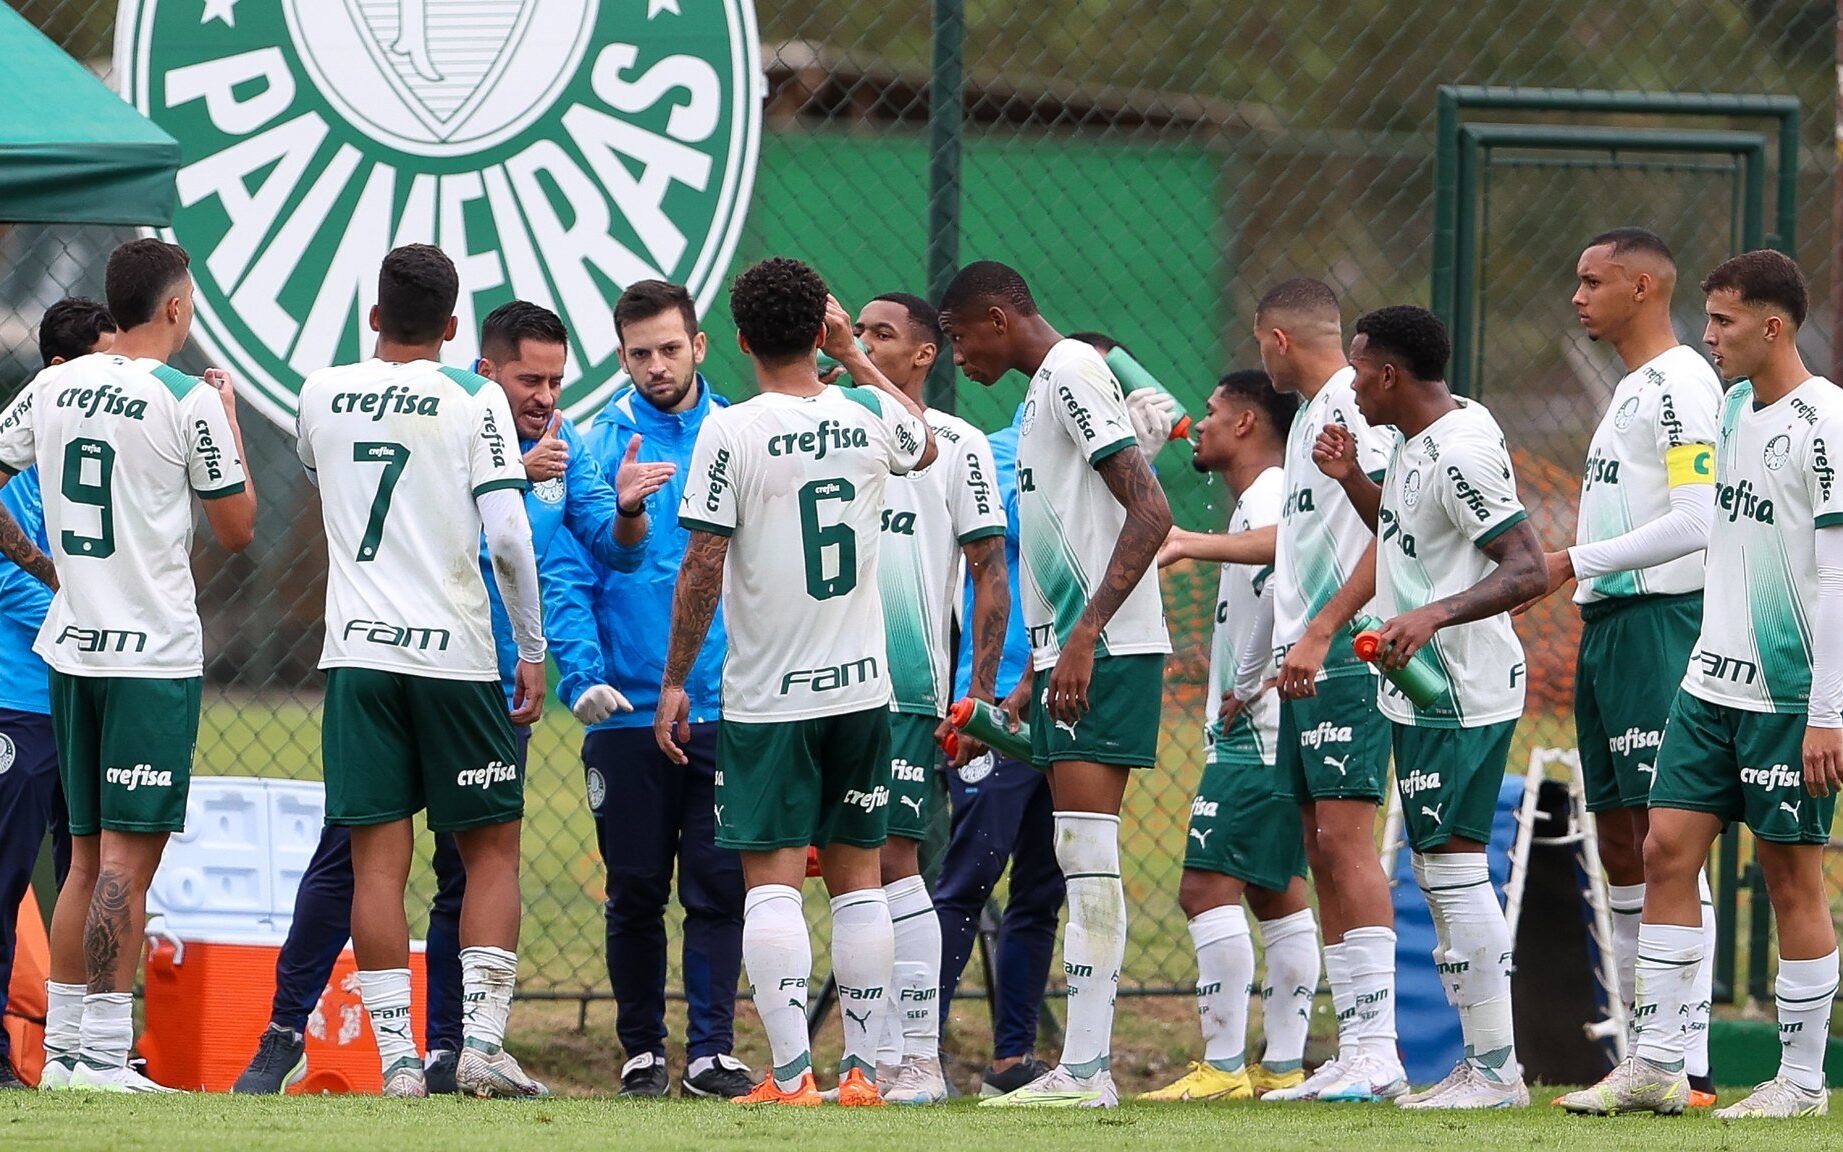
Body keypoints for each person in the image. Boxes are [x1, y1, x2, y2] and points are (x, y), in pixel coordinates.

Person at [233, 300, 640, 1095]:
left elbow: (616, 552)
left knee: (460, 868)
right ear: (480, 362)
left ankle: (450, 1052)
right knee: (348, 865)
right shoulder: (461, 412)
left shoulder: (567, 454)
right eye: (531, 378)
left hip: (459, 681)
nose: (545, 396)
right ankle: (284, 1031)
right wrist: (498, 482)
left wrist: (626, 511)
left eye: (557, 380)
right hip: (453, 663)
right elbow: (498, 532)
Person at [1560, 250, 1843, 1120]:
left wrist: (1828, 713)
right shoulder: (1726, 409)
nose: (1707, 336)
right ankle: (1658, 1063)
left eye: (1723, 323)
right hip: (1706, 682)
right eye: (1708, 319)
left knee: (1789, 877)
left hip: (1788, 695)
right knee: (1663, 851)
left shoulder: (1825, 419)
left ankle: (1797, 1081)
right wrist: (1575, 563)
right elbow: (1699, 526)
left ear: (1773, 326)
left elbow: (1835, 573)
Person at [657, 257, 936, 1106]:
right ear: (822, 331)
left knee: (770, 880)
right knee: (859, 877)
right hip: (861, 691)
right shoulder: (862, 414)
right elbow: (922, 441)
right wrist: (855, 356)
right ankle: (861, 1072)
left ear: (737, 340)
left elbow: (703, 560)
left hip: (770, 695)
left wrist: (675, 681)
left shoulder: (731, 430)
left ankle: (790, 1077)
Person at [0, 239, 257, 1092]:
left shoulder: (51, 384)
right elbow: (236, 528)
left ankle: (71, 1050)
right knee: (125, 862)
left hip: (70, 648)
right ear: (176, 309)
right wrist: (230, 423)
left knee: (81, 857)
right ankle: (105, 1055)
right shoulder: (186, 398)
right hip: (150, 656)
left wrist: (46, 563)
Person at [295, 245, 547, 1098]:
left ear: (374, 317)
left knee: (376, 866)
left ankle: (398, 1062)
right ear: (449, 327)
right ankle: (478, 1047)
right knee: (489, 853)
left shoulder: (320, 392)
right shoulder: (475, 396)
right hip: (454, 657)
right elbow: (509, 539)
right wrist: (534, 652)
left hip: (359, 654)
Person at [939, 261, 1172, 1109]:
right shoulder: (1041, 391)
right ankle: (1082, 1068)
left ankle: (1085, 1071)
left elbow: (1152, 510)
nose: (955, 354)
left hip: (1102, 652)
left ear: (998, 319)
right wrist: (1027, 683)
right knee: (1077, 855)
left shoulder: (1071, 369)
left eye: (960, 336)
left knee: (1084, 855)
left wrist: (1082, 637)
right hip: (1066, 658)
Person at [1314, 304, 1548, 1109]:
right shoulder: (1420, 441)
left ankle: (1494, 1071)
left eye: (1356, 367)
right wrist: (1352, 480)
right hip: (1422, 686)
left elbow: (1527, 569)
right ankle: (1481, 1064)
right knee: (1437, 867)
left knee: (1449, 870)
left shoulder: (1461, 452)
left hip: (1461, 685)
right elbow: (1408, 529)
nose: (1349, 382)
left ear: (1387, 373)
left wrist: (1432, 615)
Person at [1525, 227, 1722, 1103]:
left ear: (1642, 288)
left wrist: (1578, 558)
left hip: (1659, 625)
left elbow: (1698, 519)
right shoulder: (1630, 391)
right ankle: (1648, 1053)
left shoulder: (1680, 381)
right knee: (1620, 840)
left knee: (1665, 836)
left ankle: (1689, 1060)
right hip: (1609, 630)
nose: (1577, 295)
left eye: (1591, 280)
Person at [547, 279, 753, 1100]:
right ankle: (641, 1052)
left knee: (719, 882)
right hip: (627, 709)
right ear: (621, 355)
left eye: (671, 348)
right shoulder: (598, 446)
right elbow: (568, 570)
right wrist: (583, 675)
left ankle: (711, 1052)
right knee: (634, 887)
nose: (657, 365)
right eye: (640, 353)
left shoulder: (743, 432)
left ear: (699, 346)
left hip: (727, 702)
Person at [838, 292, 1009, 1104]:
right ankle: (863, 1057)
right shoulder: (834, 426)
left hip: (905, 688)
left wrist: (976, 696)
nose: (864, 342)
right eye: (858, 330)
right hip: (819, 680)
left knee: (895, 858)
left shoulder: (961, 445)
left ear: (924, 355)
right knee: (842, 866)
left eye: (882, 335)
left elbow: (988, 572)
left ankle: (916, 1058)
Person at [1241, 279, 1404, 1103]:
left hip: (1346, 658)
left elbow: (1393, 530)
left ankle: (1379, 1049)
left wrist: (1318, 630)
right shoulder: (1309, 414)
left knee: (1345, 841)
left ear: (1276, 339)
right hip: (1304, 661)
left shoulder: (1348, 401)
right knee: (1316, 845)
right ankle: (1353, 1049)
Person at [1143, 370, 1320, 1101]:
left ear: (1245, 422)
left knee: (1203, 885)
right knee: (1275, 892)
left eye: (1212, 412)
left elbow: (1293, 546)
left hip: (1261, 730)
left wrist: (1191, 542)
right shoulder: (1256, 497)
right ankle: (1281, 1065)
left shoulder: (1275, 490)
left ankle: (1220, 1066)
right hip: (1260, 718)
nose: (1201, 423)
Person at [0, 299, 114, 1090]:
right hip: (22, 701)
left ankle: (86, 1049)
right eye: (100, 364)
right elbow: (10, 581)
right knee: (6, 881)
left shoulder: (108, 455)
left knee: (99, 869)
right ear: (55, 376)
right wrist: (92, 617)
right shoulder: (15, 464)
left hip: (97, 697)